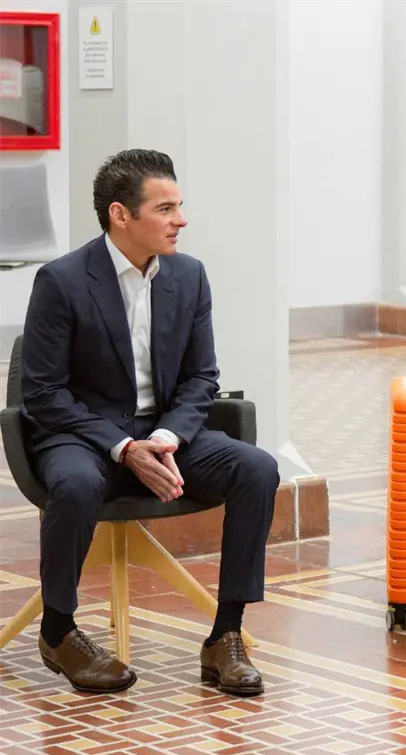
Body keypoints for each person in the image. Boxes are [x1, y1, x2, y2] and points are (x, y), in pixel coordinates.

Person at [20, 149, 280, 696]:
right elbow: (42, 393)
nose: (180, 221)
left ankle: (224, 636)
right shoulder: (61, 281)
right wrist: (122, 446)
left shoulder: (189, 276)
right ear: (121, 215)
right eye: (165, 209)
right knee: (74, 482)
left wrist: (165, 437)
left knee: (256, 468)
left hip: (165, 434)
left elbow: (202, 376)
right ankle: (58, 630)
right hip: (83, 435)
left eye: (179, 207)